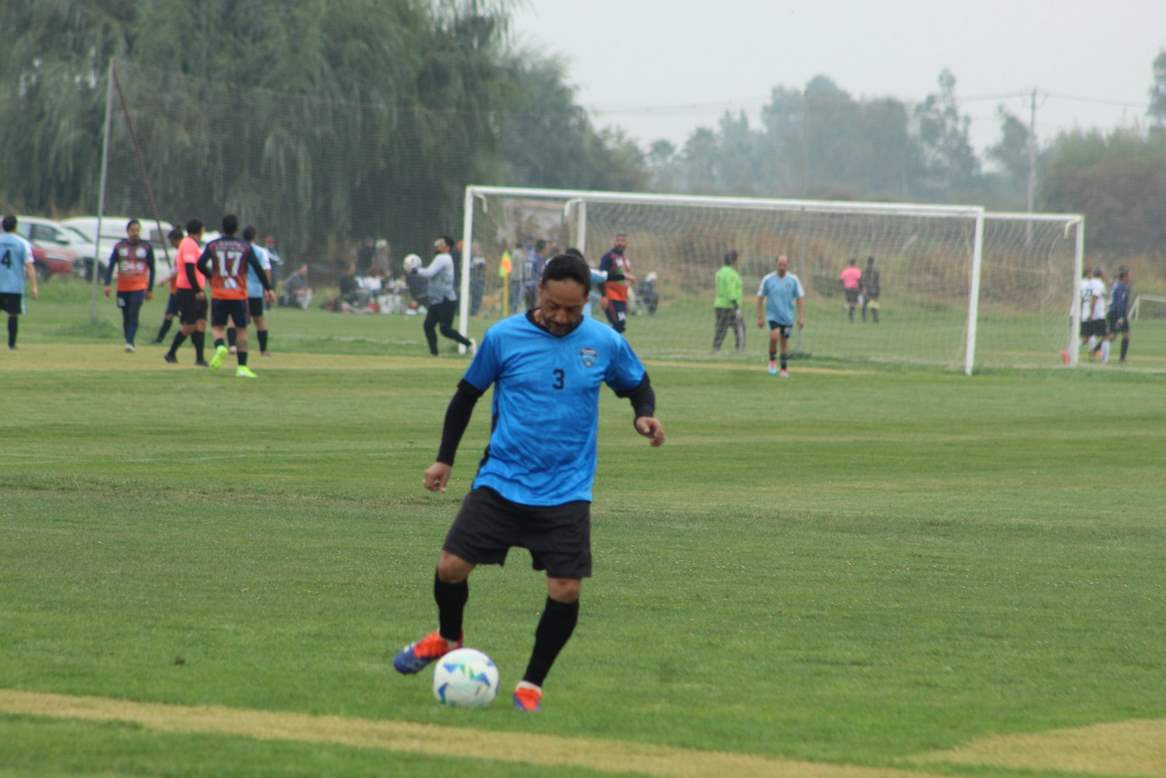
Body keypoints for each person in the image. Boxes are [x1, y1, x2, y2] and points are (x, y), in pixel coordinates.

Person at [392, 253, 666, 713]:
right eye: (553, 305)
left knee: (566, 589)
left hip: (567, 489)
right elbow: (466, 397)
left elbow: (637, 384)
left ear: (587, 301)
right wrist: (444, 460)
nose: (561, 317)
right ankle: (447, 637)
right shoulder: (503, 337)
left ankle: (530, 685)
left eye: (572, 310)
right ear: (540, 291)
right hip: (502, 479)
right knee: (451, 566)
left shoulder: (604, 342)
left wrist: (644, 415)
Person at [194, 214, 274, 378]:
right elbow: (257, 268)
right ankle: (242, 367)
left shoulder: (213, 245)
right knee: (241, 330)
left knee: (218, 327)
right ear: (237, 229)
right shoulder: (245, 246)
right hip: (239, 294)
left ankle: (220, 346)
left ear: (222, 228)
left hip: (219, 293)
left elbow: (200, 264)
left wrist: (211, 276)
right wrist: (268, 288)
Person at [413, 235, 475, 356]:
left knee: (445, 329)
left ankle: (469, 344)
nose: (437, 246)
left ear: (447, 247)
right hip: (438, 300)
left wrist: (415, 270)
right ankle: (434, 354)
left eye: (440, 244)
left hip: (446, 300)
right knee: (428, 325)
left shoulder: (443, 258)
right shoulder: (440, 258)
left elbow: (429, 273)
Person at [103, 219, 156, 352]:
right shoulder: (119, 247)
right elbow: (110, 266)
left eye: (137, 230)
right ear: (128, 231)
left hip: (139, 287)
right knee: (125, 314)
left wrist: (150, 289)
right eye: (133, 230)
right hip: (122, 288)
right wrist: (107, 284)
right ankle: (128, 340)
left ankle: (130, 342)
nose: (135, 233)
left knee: (133, 313)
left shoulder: (146, 247)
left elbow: (152, 269)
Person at [165, 219, 209, 366]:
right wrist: (197, 290)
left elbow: (199, 267)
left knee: (201, 323)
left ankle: (200, 358)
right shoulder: (189, 244)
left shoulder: (193, 244)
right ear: (200, 230)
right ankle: (171, 353)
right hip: (188, 291)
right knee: (189, 325)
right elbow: (189, 269)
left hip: (197, 289)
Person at [227, 225, 273, 356]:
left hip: (237, 289)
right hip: (255, 291)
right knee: (259, 320)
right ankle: (263, 350)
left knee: (233, 318)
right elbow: (266, 270)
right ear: (254, 237)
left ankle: (232, 346)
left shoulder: (237, 250)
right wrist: (267, 288)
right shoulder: (261, 251)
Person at [756, 254, 805, 378]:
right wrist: (760, 317)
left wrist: (800, 317)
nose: (782, 267)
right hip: (773, 315)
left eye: (784, 264)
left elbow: (799, 298)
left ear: (787, 265)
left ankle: (783, 369)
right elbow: (760, 297)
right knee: (774, 336)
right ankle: (772, 360)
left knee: (784, 342)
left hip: (787, 317)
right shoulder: (768, 279)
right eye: (780, 264)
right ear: (776, 264)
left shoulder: (793, 280)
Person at [0, 215, 38, 350]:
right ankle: (11, 345)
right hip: (14, 286)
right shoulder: (22, 243)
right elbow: (29, 265)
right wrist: (34, 286)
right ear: (16, 227)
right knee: (13, 315)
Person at [151, 227, 185, 344]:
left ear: (177, 239)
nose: (171, 244)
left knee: (176, 317)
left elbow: (178, 271)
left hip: (180, 290)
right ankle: (159, 339)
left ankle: (160, 340)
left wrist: (164, 280)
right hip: (176, 290)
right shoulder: (181, 252)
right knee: (171, 315)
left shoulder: (183, 252)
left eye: (172, 241)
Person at [599, 232, 634, 334]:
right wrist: (603, 295)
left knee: (620, 325)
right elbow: (601, 276)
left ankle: (606, 340)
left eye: (622, 241)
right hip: (611, 296)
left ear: (627, 243)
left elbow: (624, 276)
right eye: (617, 240)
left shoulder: (625, 259)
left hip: (622, 297)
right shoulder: (608, 257)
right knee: (618, 323)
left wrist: (628, 281)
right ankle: (604, 339)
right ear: (614, 242)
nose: (620, 243)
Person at [712, 250, 744, 352]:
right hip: (729, 306)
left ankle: (716, 348)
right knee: (740, 328)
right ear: (734, 261)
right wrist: (736, 306)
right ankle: (740, 349)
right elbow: (731, 290)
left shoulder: (719, 272)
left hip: (718, 304)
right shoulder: (731, 274)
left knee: (721, 329)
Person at [1078, 267, 1107, 361]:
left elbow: (1083, 298)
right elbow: (1094, 297)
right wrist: (1091, 312)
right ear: (1101, 274)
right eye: (1104, 273)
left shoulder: (1088, 283)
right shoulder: (1098, 283)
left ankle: (1070, 351)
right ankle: (1102, 358)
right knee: (1107, 336)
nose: (1105, 275)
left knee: (1086, 338)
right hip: (1096, 315)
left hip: (1086, 313)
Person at [1107, 267, 1132, 363]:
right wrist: (1120, 317)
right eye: (1128, 276)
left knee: (1121, 335)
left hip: (1114, 312)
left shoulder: (1116, 285)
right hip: (1117, 313)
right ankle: (1122, 358)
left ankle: (1122, 358)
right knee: (1114, 336)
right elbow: (1119, 303)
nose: (1129, 278)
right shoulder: (1121, 287)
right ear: (1124, 277)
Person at [522, 240, 546, 310]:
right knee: (534, 309)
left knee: (528, 308)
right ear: (543, 249)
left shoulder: (528, 257)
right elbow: (540, 273)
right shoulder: (538, 258)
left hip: (526, 285)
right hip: (534, 286)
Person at [839, 258, 862, 323]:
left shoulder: (845, 271)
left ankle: (846, 312)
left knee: (848, 301)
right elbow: (859, 280)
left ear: (849, 263)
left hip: (847, 289)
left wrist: (842, 286)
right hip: (855, 289)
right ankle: (851, 314)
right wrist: (861, 288)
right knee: (854, 302)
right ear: (854, 263)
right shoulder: (857, 271)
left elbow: (841, 280)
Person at [861, 256, 880, 323]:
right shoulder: (876, 271)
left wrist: (862, 288)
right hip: (874, 289)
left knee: (864, 304)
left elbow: (862, 280)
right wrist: (878, 290)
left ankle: (864, 318)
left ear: (867, 262)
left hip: (866, 289)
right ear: (873, 262)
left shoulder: (864, 270)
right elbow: (878, 281)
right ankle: (875, 317)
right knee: (873, 303)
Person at [469, 243, 486, 316]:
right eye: (476, 249)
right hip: (475, 280)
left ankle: (476, 310)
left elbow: (484, 270)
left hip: (481, 280)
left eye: (478, 248)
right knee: (474, 296)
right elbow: (471, 268)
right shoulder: (472, 258)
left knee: (479, 296)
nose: (478, 250)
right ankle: (473, 311)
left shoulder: (482, 259)